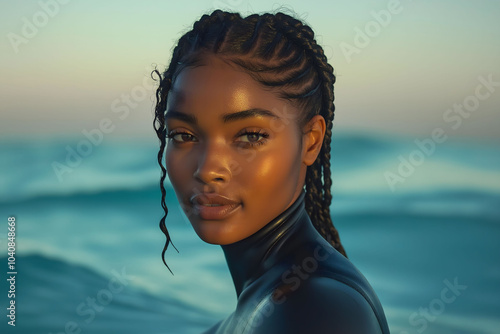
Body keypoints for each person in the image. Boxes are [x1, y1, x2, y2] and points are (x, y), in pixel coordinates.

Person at [152, 9, 390, 334]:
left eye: (250, 136)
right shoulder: (275, 307)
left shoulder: (318, 312)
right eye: (183, 136)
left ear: (310, 141)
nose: (208, 169)